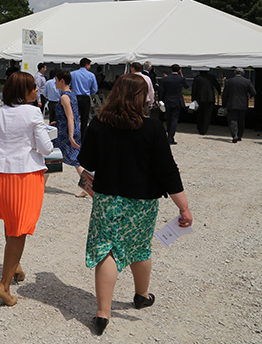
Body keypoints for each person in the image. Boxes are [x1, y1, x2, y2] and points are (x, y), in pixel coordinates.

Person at [78, 73, 193, 336]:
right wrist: (183, 207)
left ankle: (102, 313)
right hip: (142, 202)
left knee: (107, 249)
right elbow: (168, 171)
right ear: (142, 97)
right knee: (140, 247)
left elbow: (89, 162)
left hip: (107, 198)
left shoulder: (99, 124)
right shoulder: (152, 128)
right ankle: (141, 295)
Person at [0, 71, 54, 307]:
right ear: (24, 91)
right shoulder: (34, 112)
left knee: (10, 223)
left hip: (0, 176)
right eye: (33, 87)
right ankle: (3, 286)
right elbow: (46, 149)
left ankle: (15, 265)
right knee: (19, 229)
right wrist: (42, 137)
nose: (37, 90)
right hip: (24, 176)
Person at [52, 70, 86, 197]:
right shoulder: (71, 94)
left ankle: (89, 185)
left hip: (65, 133)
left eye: (56, 80)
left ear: (62, 81)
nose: (54, 83)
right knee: (53, 156)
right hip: (68, 129)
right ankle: (88, 186)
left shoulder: (64, 97)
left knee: (71, 159)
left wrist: (71, 136)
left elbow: (70, 117)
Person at [222, 68, 256, 143]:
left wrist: (223, 104)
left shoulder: (229, 81)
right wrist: (248, 97)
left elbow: (225, 94)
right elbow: (253, 92)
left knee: (232, 120)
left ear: (235, 73)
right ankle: (240, 135)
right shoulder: (247, 81)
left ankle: (234, 135)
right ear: (242, 74)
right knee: (241, 120)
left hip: (231, 104)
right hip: (243, 104)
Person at [159, 64, 188, 145]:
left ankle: (168, 134)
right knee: (174, 119)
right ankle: (171, 136)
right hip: (177, 101)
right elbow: (187, 86)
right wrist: (182, 76)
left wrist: (161, 100)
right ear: (179, 71)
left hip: (168, 100)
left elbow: (162, 90)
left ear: (171, 70)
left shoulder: (166, 79)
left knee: (168, 118)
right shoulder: (181, 79)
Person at [71, 58, 98, 136]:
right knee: (84, 119)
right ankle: (83, 138)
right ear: (86, 65)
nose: (90, 67)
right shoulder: (91, 75)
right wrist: (90, 92)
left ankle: (73, 135)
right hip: (85, 98)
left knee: (73, 118)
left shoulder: (73, 74)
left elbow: (68, 85)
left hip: (75, 97)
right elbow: (95, 89)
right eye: (89, 65)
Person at [191, 69, 221, 135]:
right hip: (209, 98)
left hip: (199, 98)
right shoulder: (211, 77)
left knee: (199, 114)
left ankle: (199, 127)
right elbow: (217, 85)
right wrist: (219, 91)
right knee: (207, 115)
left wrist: (193, 98)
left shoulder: (197, 78)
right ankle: (204, 129)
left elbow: (194, 89)